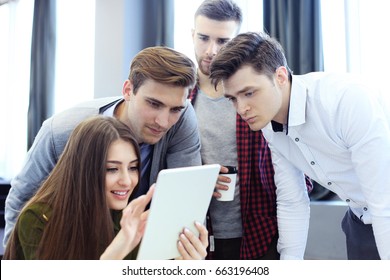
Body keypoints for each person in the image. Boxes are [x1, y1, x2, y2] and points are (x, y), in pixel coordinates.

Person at [209, 31, 390, 260]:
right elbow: (292, 200)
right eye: (233, 98)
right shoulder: (268, 124)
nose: (241, 108)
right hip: (360, 221)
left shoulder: (346, 100)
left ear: (281, 77)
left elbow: (385, 203)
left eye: (249, 93)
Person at [4, 46, 202, 247]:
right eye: (153, 104)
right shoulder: (61, 132)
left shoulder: (182, 118)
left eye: (175, 109)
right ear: (128, 90)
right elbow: (22, 200)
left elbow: (184, 197)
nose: (163, 122)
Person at [189, 0, 311, 260]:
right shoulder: (181, 97)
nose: (211, 50)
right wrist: (197, 179)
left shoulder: (264, 95)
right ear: (192, 35)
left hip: (260, 231)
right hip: (199, 232)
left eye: (223, 41)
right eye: (203, 38)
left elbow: (298, 171)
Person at [3, 116, 208, 259]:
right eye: (112, 169)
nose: (127, 181)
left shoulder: (124, 218)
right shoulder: (38, 219)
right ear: (84, 169)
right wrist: (120, 247)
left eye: (133, 167)